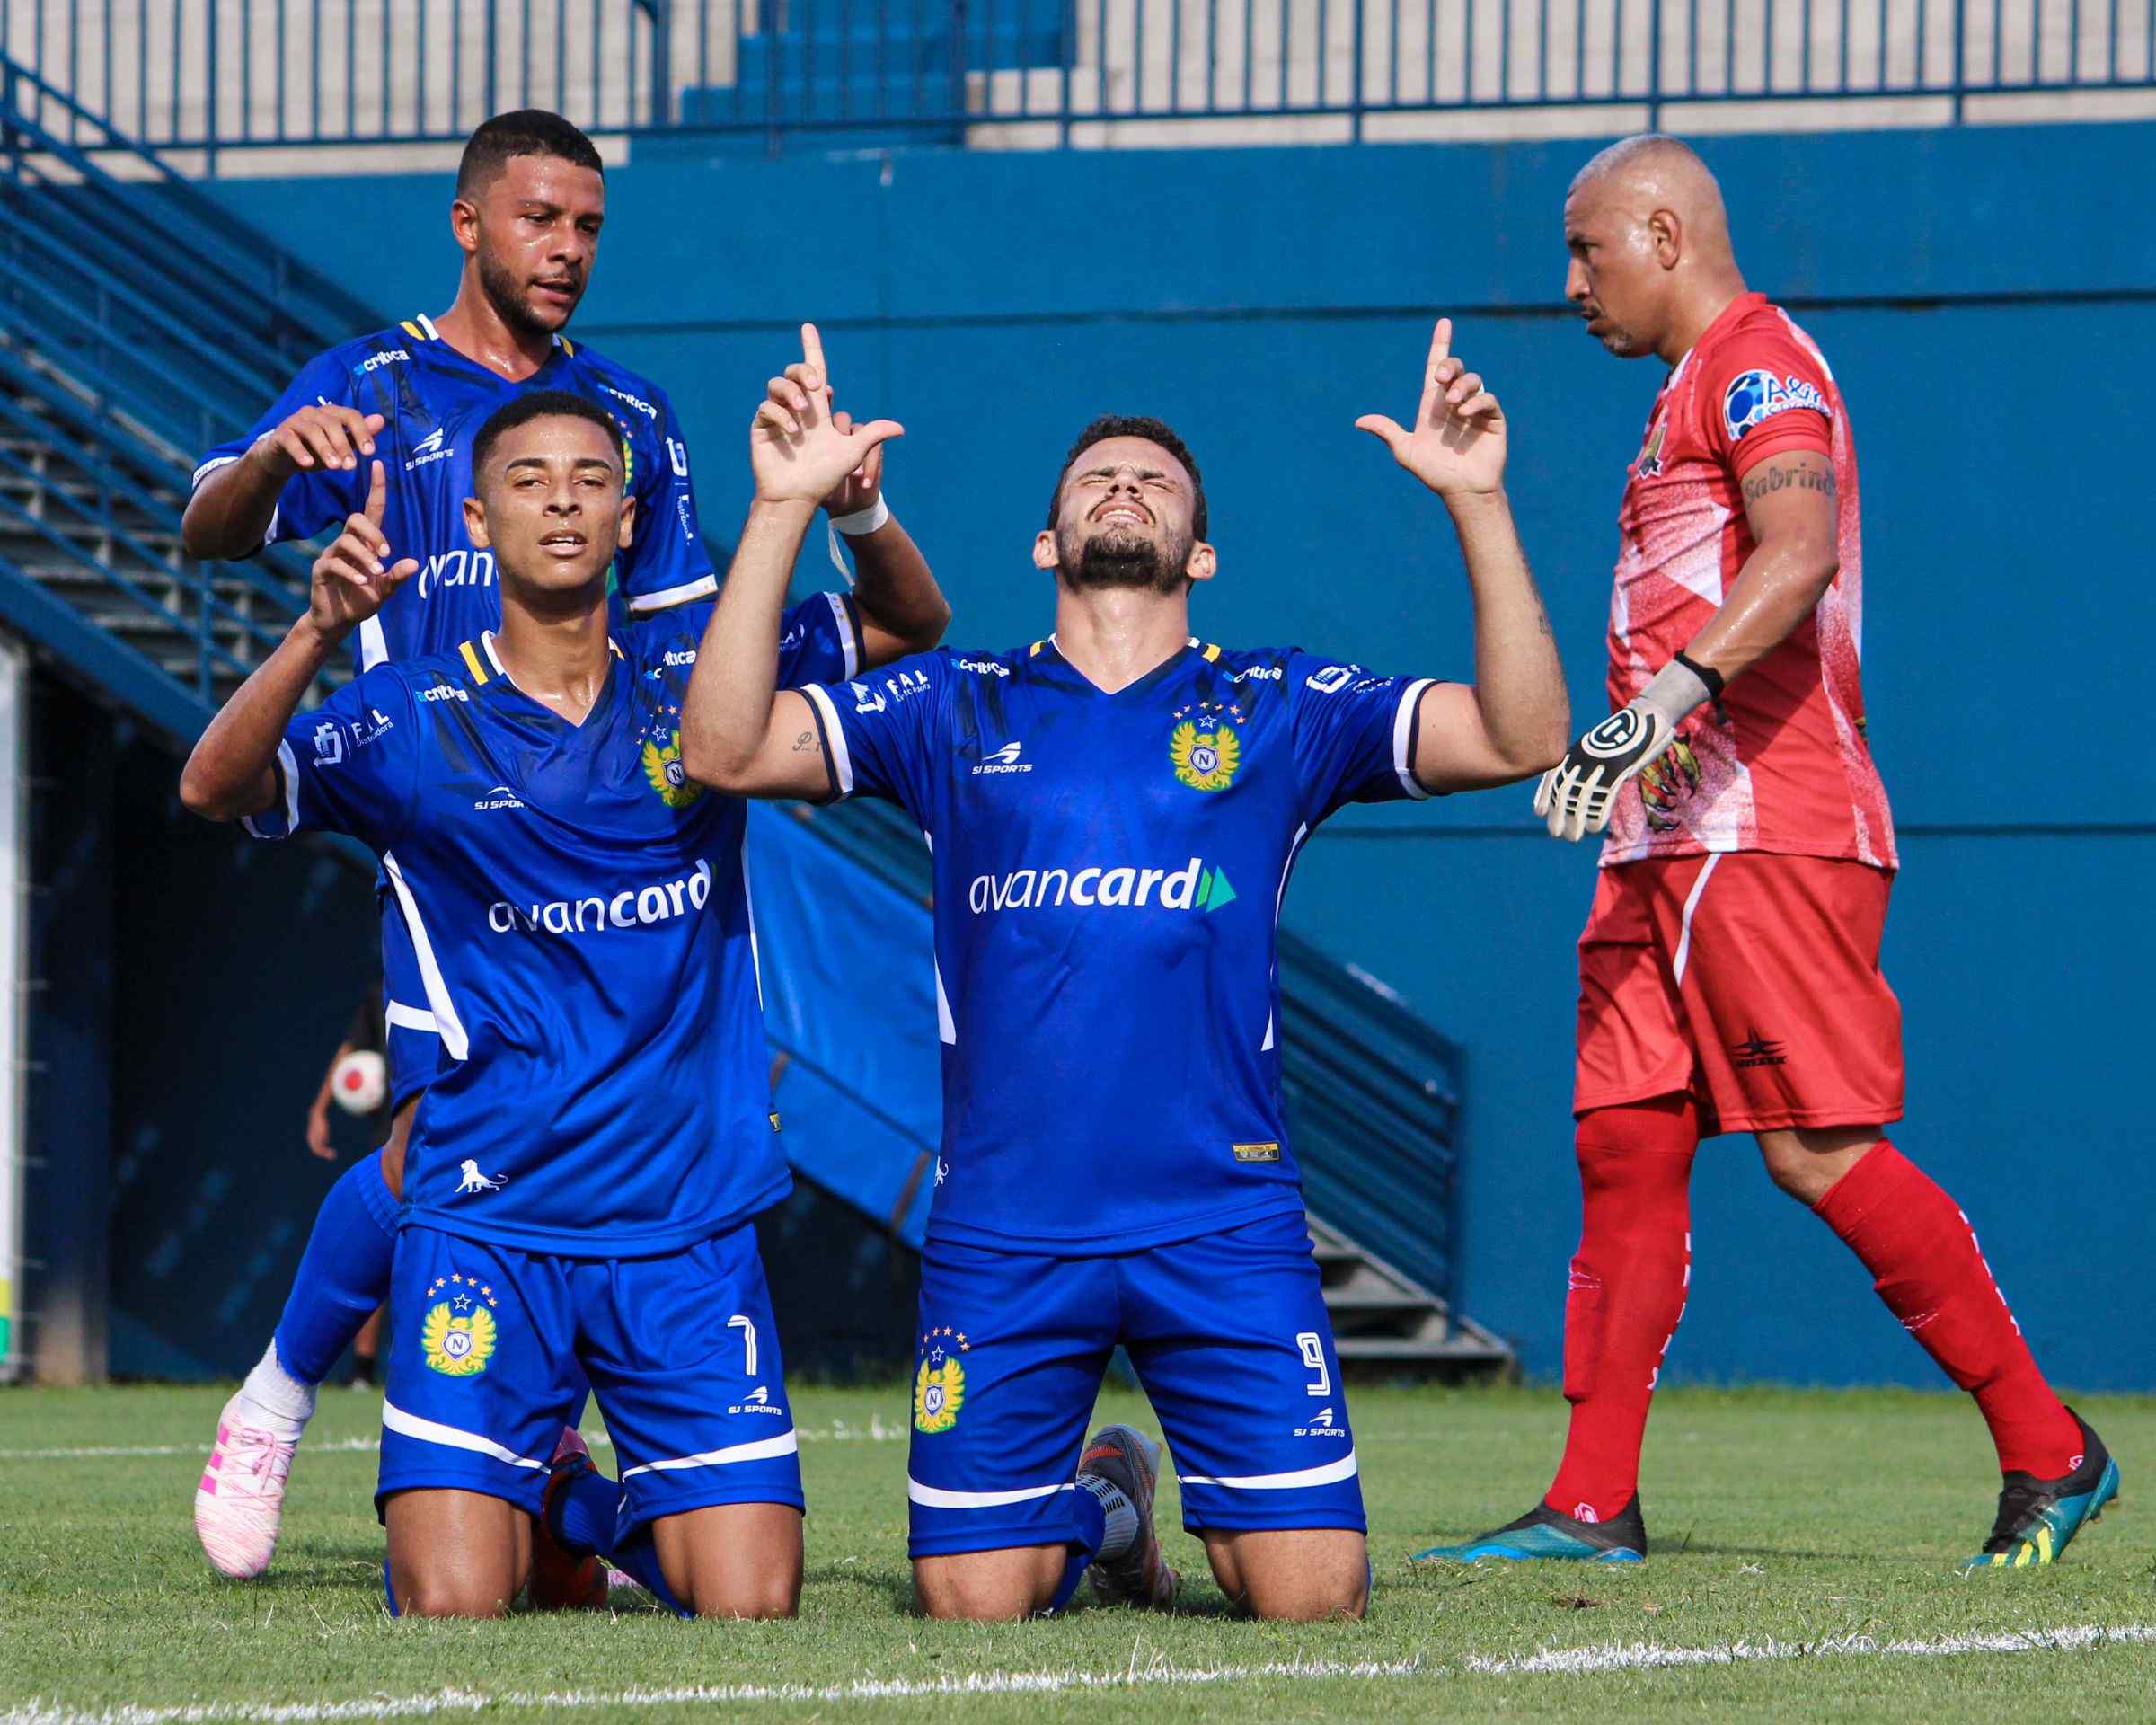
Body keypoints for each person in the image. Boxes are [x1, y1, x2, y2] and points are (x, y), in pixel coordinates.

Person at [681, 321, 1568, 1621]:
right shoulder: (952, 704)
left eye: (1157, 482)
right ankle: (1105, 1507)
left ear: (1199, 552)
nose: (1126, 488)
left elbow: (1525, 732)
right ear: (1046, 543)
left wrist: (1480, 504)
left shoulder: (1280, 705)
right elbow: (723, 750)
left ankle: (1127, 1500)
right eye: (1098, 479)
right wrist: (779, 511)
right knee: (977, 1606)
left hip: (1223, 1219)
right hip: (1007, 1223)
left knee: (1315, 1599)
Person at [185, 110, 947, 1581]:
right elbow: (214, 530)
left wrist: (821, 521)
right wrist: (277, 456)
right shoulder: (373, 388)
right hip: (439, 807)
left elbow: (694, 641)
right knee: (455, 1117)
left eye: (590, 227)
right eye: (540, 219)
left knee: (483, 1131)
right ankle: (286, 1398)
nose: (568, 251)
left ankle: (532, 1472)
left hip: (612, 787)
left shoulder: (629, 420)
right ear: (467, 221)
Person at [1419, 135, 2116, 1572]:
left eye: (1586, 249)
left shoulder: (1758, 362)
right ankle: (1592, 1503)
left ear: (1666, 234)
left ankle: (2055, 1450)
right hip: (1660, 834)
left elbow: (1793, 560)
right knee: (1622, 1145)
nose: (1570, 285)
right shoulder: (1682, 390)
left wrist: (1660, 706)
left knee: (1814, 1148)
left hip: (1767, 822)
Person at [181, 391, 817, 1618]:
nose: (564, 497)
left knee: (750, 1610)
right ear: (476, 516)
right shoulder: (412, 713)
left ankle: (571, 1505)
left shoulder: (705, 703)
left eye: (590, 477)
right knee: (453, 1607)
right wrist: (314, 632)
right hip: (486, 1228)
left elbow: (909, 628)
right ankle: (355, 1424)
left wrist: (833, 504)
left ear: (632, 519)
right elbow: (217, 784)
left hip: (680, 1233)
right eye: (530, 479)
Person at [302, 978, 392, 1387]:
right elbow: (350, 1050)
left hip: (452, 1137)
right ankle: (363, 1370)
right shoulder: (383, 990)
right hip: (393, 1141)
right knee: (377, 1251)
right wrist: (319, 1108)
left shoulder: (466, 972)